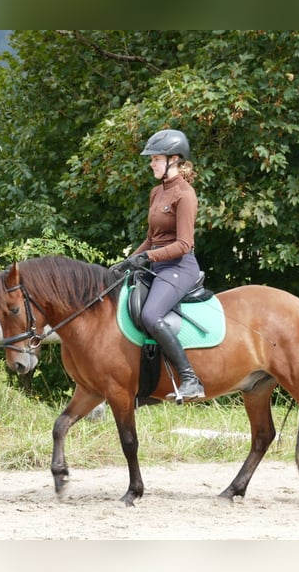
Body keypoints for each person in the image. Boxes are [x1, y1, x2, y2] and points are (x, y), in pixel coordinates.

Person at [112, 129, 205, 402]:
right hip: (156, 266)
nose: (151, 163)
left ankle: (190, 379)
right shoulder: (157, 193)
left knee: (151, 315)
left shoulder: (185, 195)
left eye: (156, 159)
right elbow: (151, 239)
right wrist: (129, 261)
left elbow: (184, 244)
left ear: (174, 159)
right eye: (151, 159)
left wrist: (148, 257)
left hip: (179, 267)